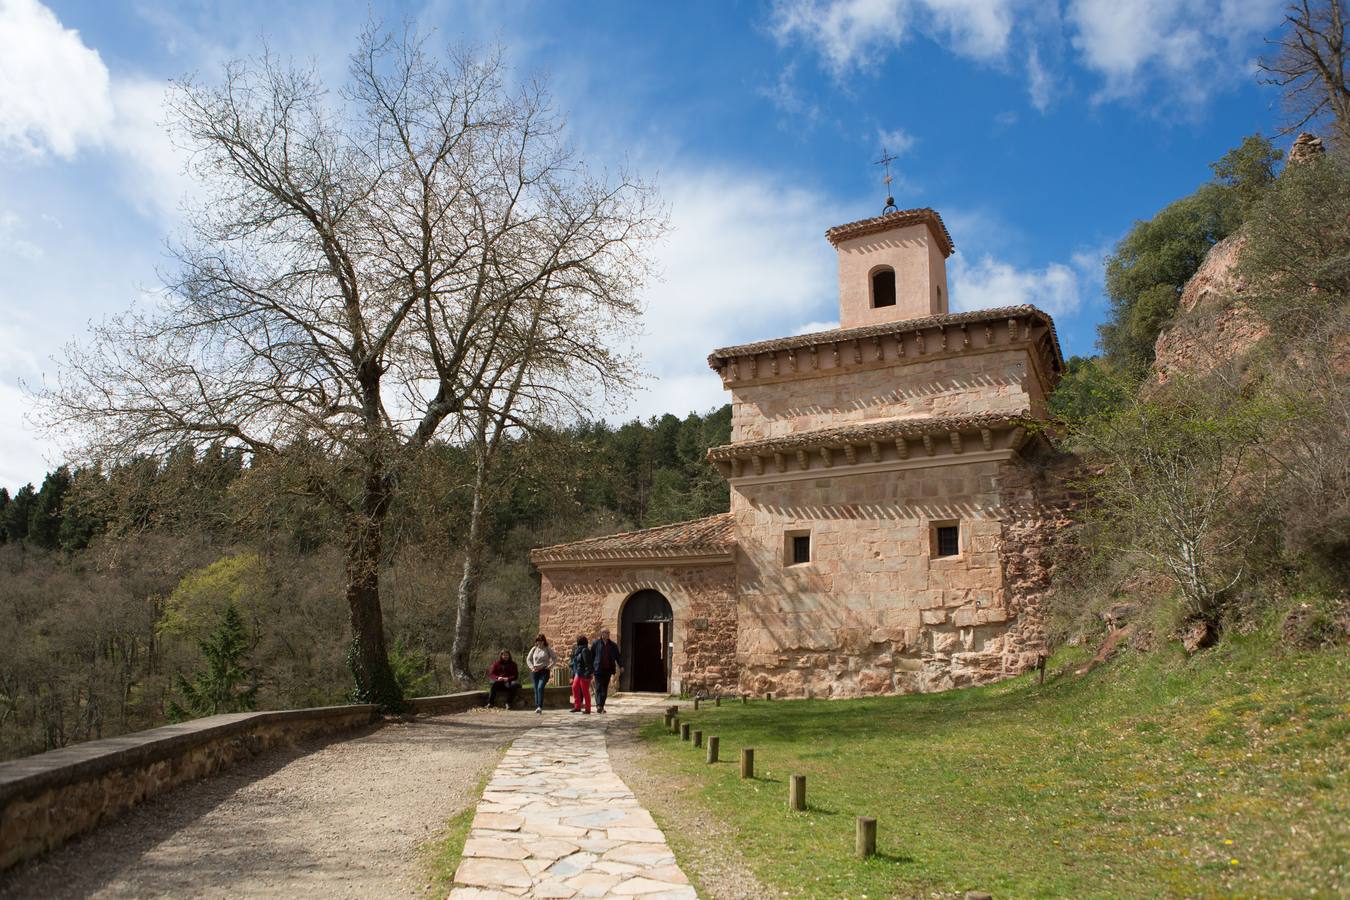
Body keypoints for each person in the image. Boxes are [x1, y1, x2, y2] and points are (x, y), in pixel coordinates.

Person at [589, 628, 623, 713]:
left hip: (608, 669)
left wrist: (621, 666)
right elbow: (591, 657)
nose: (607, 634)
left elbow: (618, 656)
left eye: (608, 633)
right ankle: (599, 705)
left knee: (604, 688)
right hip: (598, 669)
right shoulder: (596, 644)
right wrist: (591, 669)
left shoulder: (613, 645)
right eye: (605, 633)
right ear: (601, 634)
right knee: (598, 688)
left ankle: (601, 705)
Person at [525, 634, 557, 714]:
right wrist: (532, 667)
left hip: (544, 671)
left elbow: (554, 658)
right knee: (536, 689)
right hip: (535, 671)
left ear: (544, 641)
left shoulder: (547, 649)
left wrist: (550, 666)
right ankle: (537, 707)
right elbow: (528, 659)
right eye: (538, 641)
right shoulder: (534, 649)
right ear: (536, 641)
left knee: (540, 687)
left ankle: (540, 706)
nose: (540, 642)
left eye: (541, 641)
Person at [569, 634, 594, 714]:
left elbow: (588, 663)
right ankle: (577, 706)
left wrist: (588, 673)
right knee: (574, 687)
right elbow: (576, 662)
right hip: (578, 672)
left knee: (585, 691)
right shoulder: (578, 650)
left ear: (579, 642)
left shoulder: (585, 650)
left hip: (584, 673)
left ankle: (587, 708)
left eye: (577, 641)